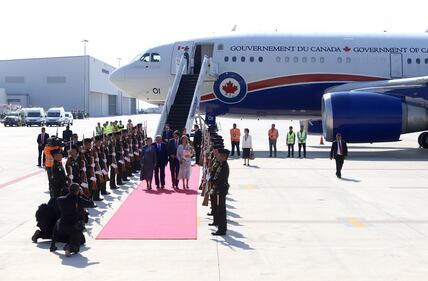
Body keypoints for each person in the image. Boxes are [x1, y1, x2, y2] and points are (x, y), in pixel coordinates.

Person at [50, 183, 95, 257]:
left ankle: (53, 245)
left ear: (69, 190)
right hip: (74, 227)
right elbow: (91, 203)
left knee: (58, 221)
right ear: (78, 191)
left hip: (62, 225)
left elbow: (57, 199)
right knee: (77, 249)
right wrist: (83, 194)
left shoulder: (60, 200)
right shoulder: (79, 200)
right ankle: (68, 247)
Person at [211, 148, 230, 236]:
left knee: (221, 210)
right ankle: (222, 228)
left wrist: (213, 181)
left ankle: (222, 230)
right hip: (219, 189)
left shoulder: (224, 167)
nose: (219, 157)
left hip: (221, 189)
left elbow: (221, 180)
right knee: (220, 209)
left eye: (221, 156)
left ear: (224, 157)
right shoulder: (221, 164)